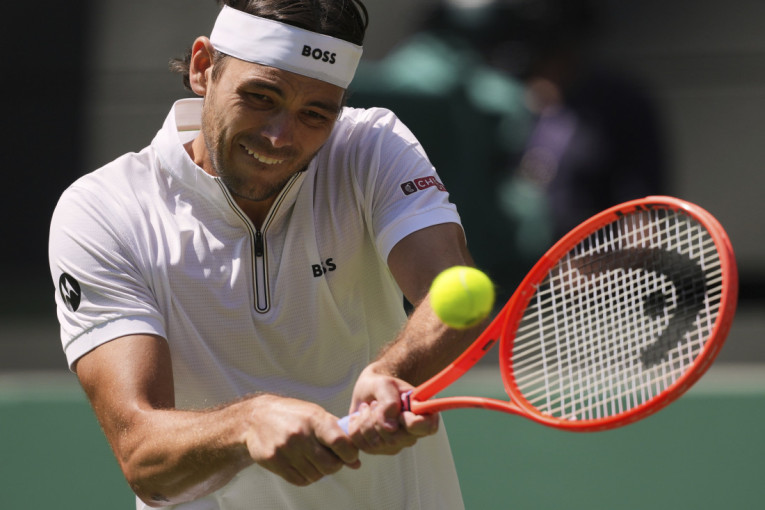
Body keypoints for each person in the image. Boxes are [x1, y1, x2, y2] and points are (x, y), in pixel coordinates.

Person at [48, 1, 478, 509]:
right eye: (260, 97)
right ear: (203, 67)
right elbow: (143, 458)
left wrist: (393, 372)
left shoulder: (373, 146)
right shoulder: (103, 210)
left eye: (315, 114)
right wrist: (247, 424)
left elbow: (451, 293)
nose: (279, 137)